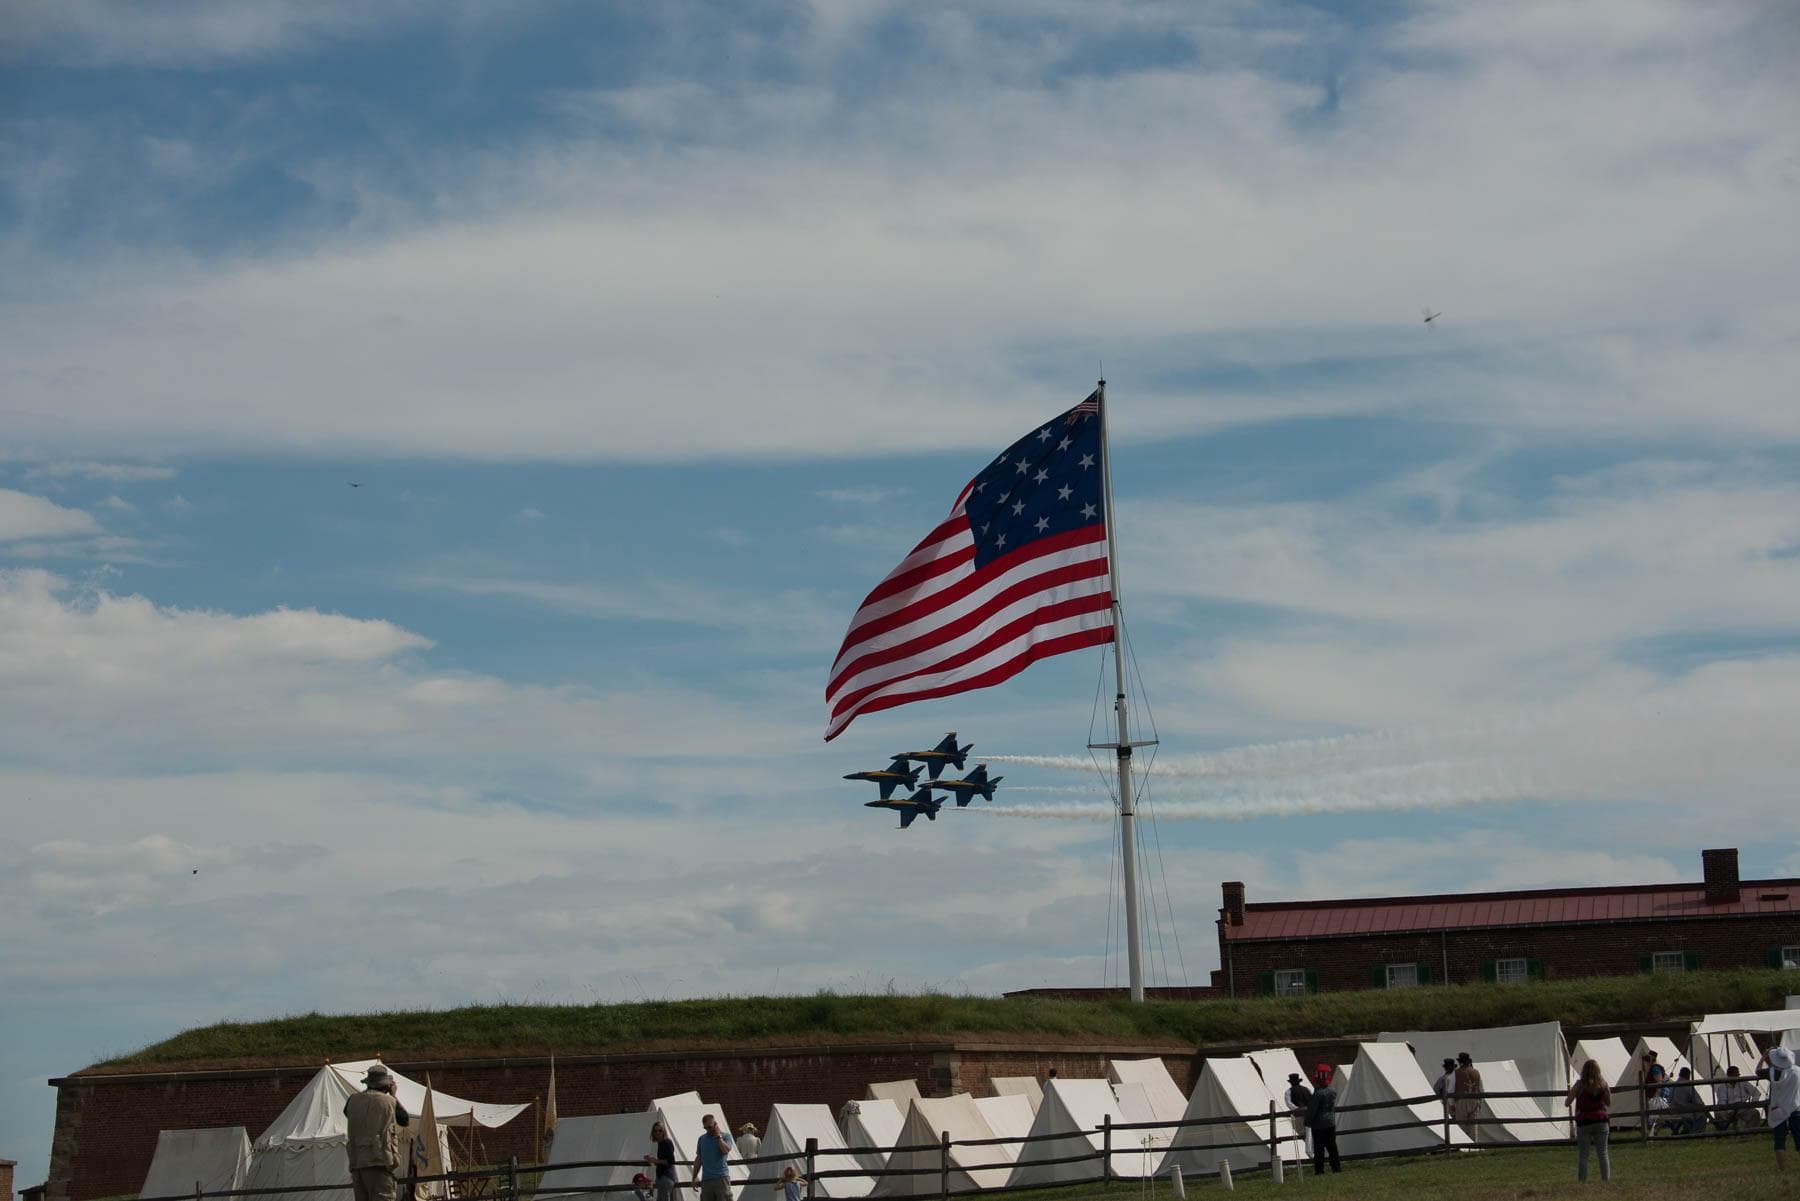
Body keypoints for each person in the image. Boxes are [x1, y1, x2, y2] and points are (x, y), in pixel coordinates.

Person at [344, 1065, 412, 1201]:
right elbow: (404, 1120)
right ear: (386, 1086)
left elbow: (347, 1113)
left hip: (357, 1164)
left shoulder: (352, 1100)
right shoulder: (389, 1101)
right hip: (378, 1162)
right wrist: (394, 1096)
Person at [1564, 1058, 1612, 1183]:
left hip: (1584, 1121)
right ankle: (1605, 1180)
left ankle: (1582, 1181)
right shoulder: (1603, 1084)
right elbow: (1609, 1103)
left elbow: (1567, 1102)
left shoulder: (1579, 1085)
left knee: (1583, 1155)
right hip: (1601, 1120)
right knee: (1603, 1153)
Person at [1757, 1046, 1800, 1171]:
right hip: (1796, 1107)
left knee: (1779, 1141)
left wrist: (1763, 1057)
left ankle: (1782, 1168)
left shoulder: (1770, 1072)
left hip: (1778, 1108)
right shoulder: (1797, 1071)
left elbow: (1758, 1070)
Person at [1304, 1065, 1341, 1175]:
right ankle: (1336, 1167)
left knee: (1319, 1148)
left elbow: (1312, 1110)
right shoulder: (1332, 1091)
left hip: (1319, 1124)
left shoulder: (1318, 1094)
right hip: (1330, 1122)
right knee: (1332, 1146)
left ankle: (1319, 1170)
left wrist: (1307, 1121)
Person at [691, 1112, 736, 1201]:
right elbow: (699, 1158)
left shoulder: (726, 1136)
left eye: (710, 1127)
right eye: (705, 1128)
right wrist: (694, 1176)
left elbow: (725, 1150)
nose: (708, 1130)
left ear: (715, 1124)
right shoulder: (701, 1139)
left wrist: (718, 1137)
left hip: (721, 1178)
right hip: (706, 1180)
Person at [1666, 1068, 1710, 1135]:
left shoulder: (1673, 1085)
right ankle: (1696, 1133)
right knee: (1702, 1115)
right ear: (1688, 1075)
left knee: (1693, 1113)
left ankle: (1687, 1130)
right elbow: (1698, 1101)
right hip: (1683, 1112)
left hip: (1672, 1111)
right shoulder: (1687, 1085)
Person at [1715, 1065, 1760, 1132]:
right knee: (1719, 1113)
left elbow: (1756, 1093)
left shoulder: (1743, 1083)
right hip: (1729, 1109)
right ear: (1729, 1075)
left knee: (1754, 1113)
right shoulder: (1722, 1087)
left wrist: (1752, 1104)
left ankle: (1750, 1132)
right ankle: (1723, 1132)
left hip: (1743, 1107)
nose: (1737, 1076)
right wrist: (1729, 1111)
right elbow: (1722, 1102)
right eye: (1735, 1074)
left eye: (1737, 1074)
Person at [1453, 1052, 1484, 1141]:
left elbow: (1451, 1089)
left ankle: (1462, 1144)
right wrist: (1480, 1102)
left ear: (1460, 1062)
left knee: (1461, 1125)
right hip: (1474, 1099)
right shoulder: (1476, 1072)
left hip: (1461, 1100)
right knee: (1473, 1126)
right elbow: (1480, 1088)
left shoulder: (1456, 1073)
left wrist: (1452, 1104)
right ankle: (1473, 1145)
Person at [645, 1121, 678, 1201]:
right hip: (662, 1176)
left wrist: (656, 1160)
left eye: (660, 1130)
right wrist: (653, 1160)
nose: (657, 1132)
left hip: (666, 1176)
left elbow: (671, 1161)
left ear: (664, 1131)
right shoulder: (661, 1143)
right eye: (655, 1131)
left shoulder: (667, 1142)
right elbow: (663, 1161)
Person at [1641, 1050, 1670, 1136]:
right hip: (1652, 1096)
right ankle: (1653, 1133)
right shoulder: (1653, 1068)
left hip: (1655, 1096)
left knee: (1656, 1118)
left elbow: (1659, 1083)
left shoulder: (1655, 1068)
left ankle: (1653, 1133)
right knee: (1654, 1117)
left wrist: (1656, 1095)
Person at [1285, 1071, 1313, 1156]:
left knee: (1304, 1135)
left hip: (1299, 1116)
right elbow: (1312, 1100)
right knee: (1311, 1134)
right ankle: (1312, 1153)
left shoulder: (1288, 1092)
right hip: (1309, 1114)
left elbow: (1289, 1104)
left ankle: (1310, 1153)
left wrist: (1299, 1110)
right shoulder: (1306, 1089)